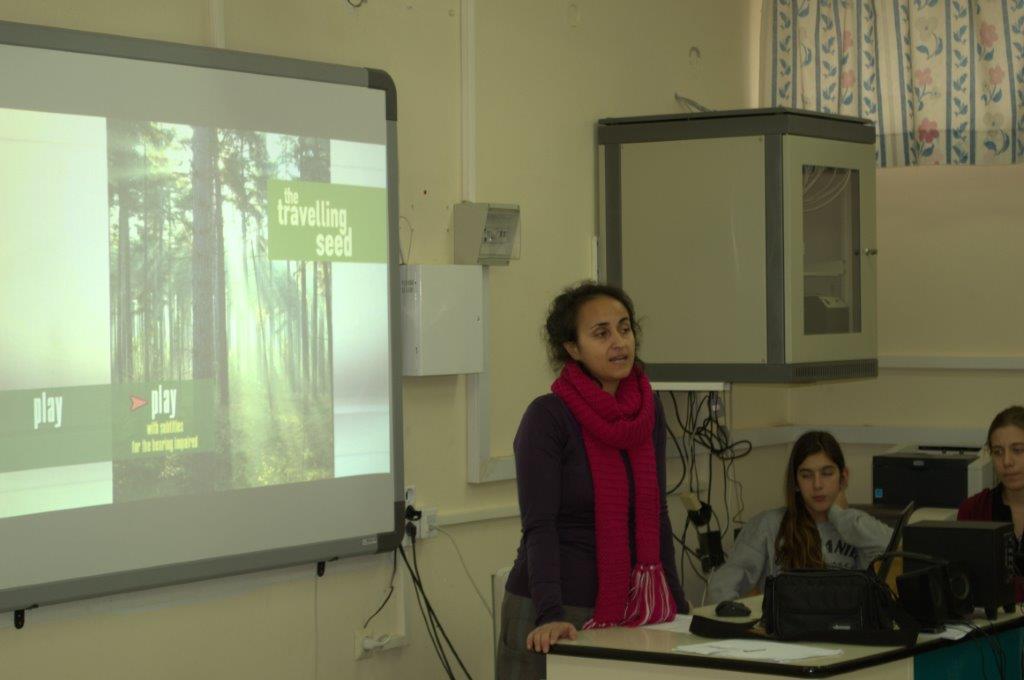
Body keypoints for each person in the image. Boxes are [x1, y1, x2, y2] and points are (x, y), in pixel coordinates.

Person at [496, 281, 687, 680]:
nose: (619, 342)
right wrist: (551, 616)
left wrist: (678, 605)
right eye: (601, 333)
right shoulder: (547, 418)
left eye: (624, 328)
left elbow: (657, 511)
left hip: (632, 611)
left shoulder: (648, 408)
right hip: (552, 612)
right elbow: (539, 526)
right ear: (572, 348)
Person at [708, 430, 893, 603]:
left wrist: (840, 516)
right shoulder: (769, 525)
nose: (817, 484)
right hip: (786, 633)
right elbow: (721, 586)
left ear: (843, 477)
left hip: (843, 631)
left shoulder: (855, 525)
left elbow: (891, 550)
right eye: (806, 476)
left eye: (827, 473)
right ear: (795, 482)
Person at [957, 406, 1024, 600]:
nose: (1007, 462)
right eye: (998, 452)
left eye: (1018, 450)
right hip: (992, 626)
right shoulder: (974, 510)